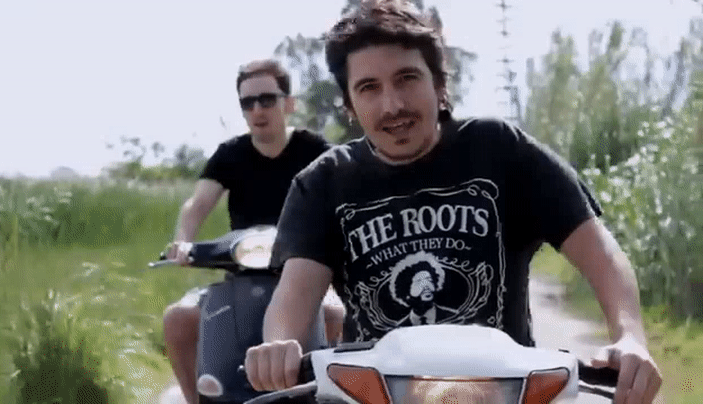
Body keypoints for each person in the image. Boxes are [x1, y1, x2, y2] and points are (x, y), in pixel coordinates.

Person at [243, 1, 663, 403]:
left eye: (407, 78)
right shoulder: (322, 183)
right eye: (369, 88)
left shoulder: (501, 151)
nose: (393, 105)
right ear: (350, 105)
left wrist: (630, 337)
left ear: (440, 85)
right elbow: (293, 296)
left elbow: (600, 252)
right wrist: (279, 345)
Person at [162, 58, 345, 404]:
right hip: (240, 275)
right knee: (178, 319)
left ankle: (334, 396)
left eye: (267, 99)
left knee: (336, 314)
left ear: (288, 103)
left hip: (307, 274)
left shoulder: (317, 152)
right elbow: (197, 205)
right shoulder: (229, 154)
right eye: (248, 103)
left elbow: (343, 201)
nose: (257, 110)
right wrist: (182, 242)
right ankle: (195, 400)